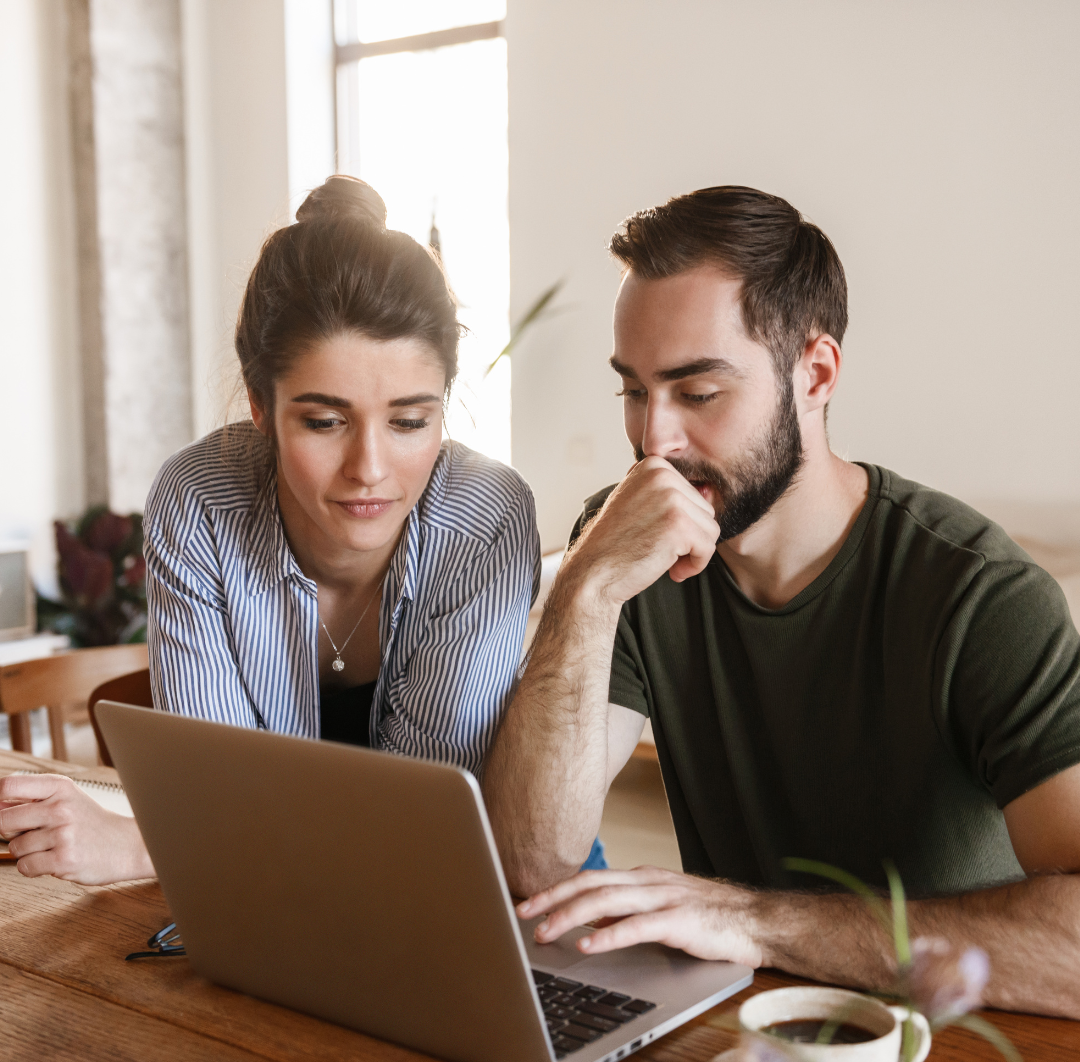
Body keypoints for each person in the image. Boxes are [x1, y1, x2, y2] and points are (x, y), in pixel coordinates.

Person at [483, 185, 1080, 1018]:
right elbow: (533, 862)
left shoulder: (981, 596)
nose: (654, 442)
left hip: (948, 1041)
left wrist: (758, 922)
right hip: (736, 1031)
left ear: (816, 373)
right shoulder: (625, 551)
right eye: (633, 390)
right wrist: (583, 589)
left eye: (698, 393)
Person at [0, 176, 592, 884]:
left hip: (481, 894)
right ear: (258, 403)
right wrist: (195, 832)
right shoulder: (201, 501)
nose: (369, 469)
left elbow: (420, 830)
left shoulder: (485, 518)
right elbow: (213, 790)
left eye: (410, 421)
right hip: (283, 901)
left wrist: (143, 848)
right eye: (324, 421)